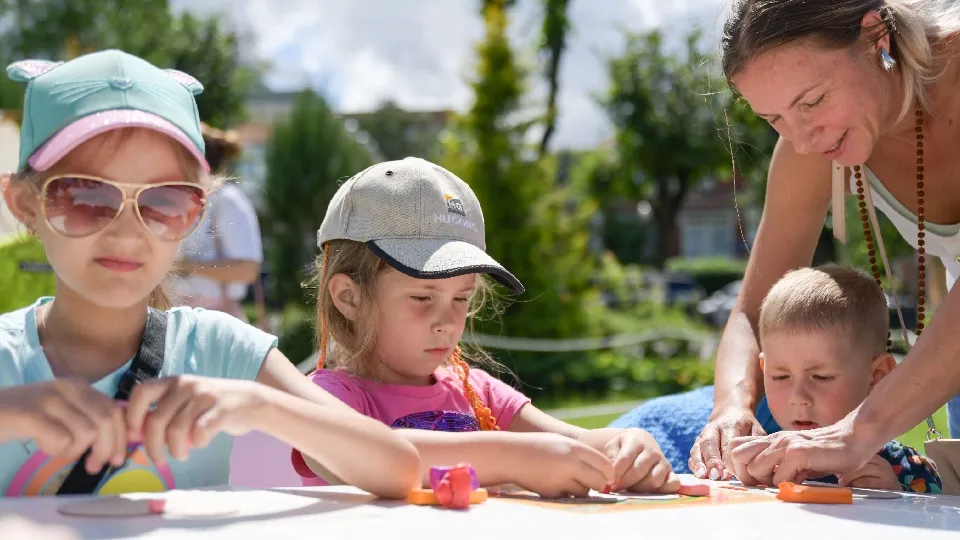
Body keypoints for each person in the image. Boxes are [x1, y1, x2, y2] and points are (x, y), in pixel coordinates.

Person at [0, 49, 420, 498]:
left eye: (165, 201)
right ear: (25, 205)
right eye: (83, 196)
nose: (126, 233)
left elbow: (398, 469)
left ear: (196, 214)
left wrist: (263, 405)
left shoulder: (222, 350)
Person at [615, 0, 960, 486]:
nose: (801, 141)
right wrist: (731, 408)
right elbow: (752, 312)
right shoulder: (814, 142)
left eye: (812, 101)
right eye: (773, 118)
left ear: (875, 36)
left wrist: (858, 431)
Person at [292, 157, 679, 498]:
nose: (446, 322)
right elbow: (363, 454)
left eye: (461, 298)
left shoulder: (480, 393)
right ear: (349, 297)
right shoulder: (329, 397)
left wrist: (626, 445)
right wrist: (513, 458)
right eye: (422, 298)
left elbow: (574, 442)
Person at [752, 265, 940, 492]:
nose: (798, 397)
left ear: (877, 376)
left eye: (821, 377)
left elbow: (939, 520)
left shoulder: (907, 470)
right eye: (780, 376)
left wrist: (895, 495)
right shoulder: (759, 465)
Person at [172, 123, 264, 324]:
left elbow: (247, 270)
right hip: (175, 317)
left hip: (216, 322)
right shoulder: (178, 198)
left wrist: (185, 266)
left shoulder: (228, 201)